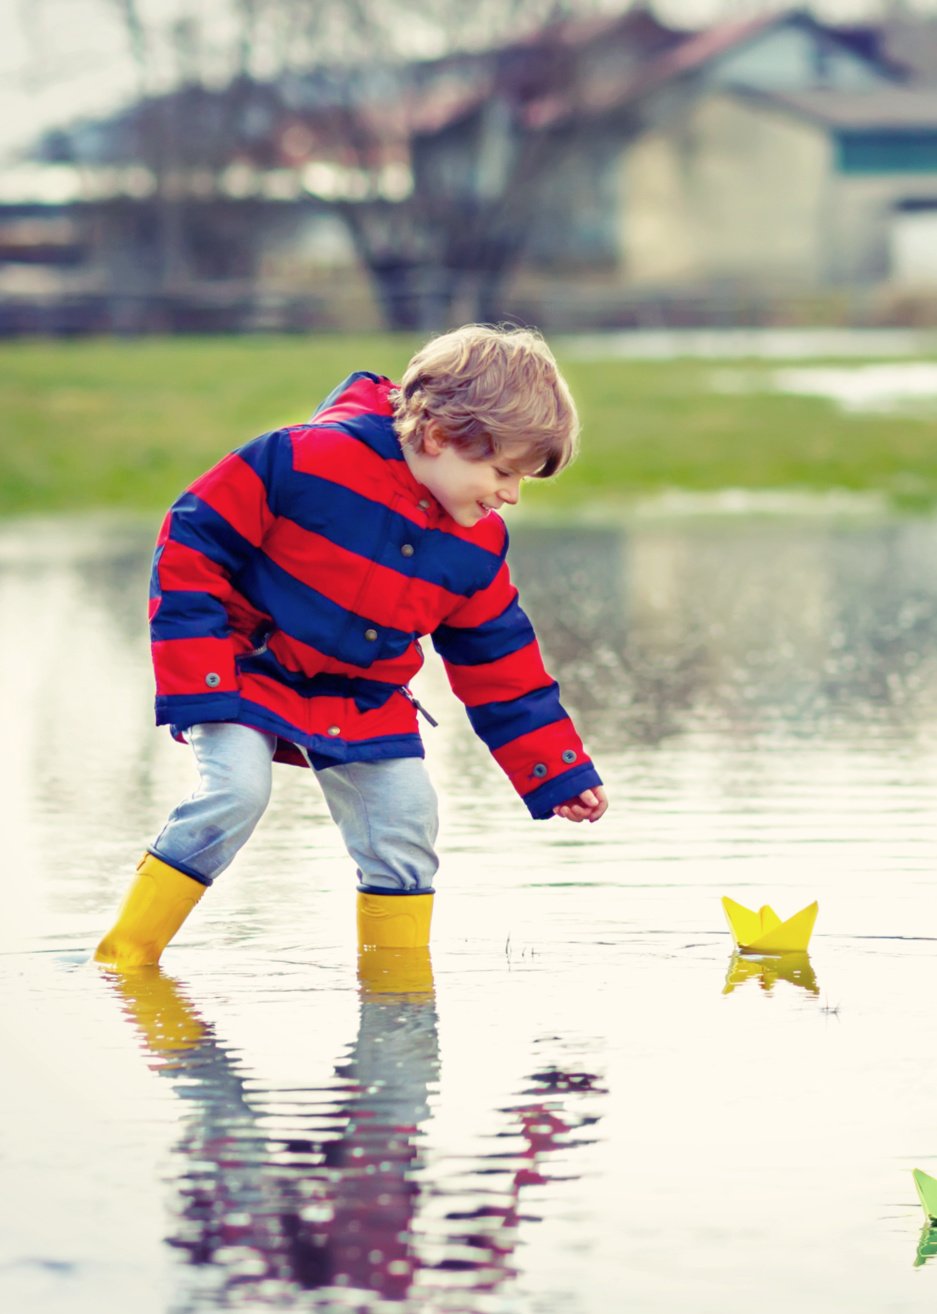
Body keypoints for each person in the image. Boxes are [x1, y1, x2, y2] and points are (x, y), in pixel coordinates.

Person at [94, 324, 608, 970]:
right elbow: (190, 547)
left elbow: (500, 665)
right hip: (243, 674)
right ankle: (125, 963)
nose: (510, 492)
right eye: (502, 470)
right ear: (438, 435)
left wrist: (556, 767)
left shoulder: (477, 545)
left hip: (363, 700)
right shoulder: (299, 461)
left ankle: (396, 1004)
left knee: (406, 823)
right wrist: (200, 681)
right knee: (235, 793)